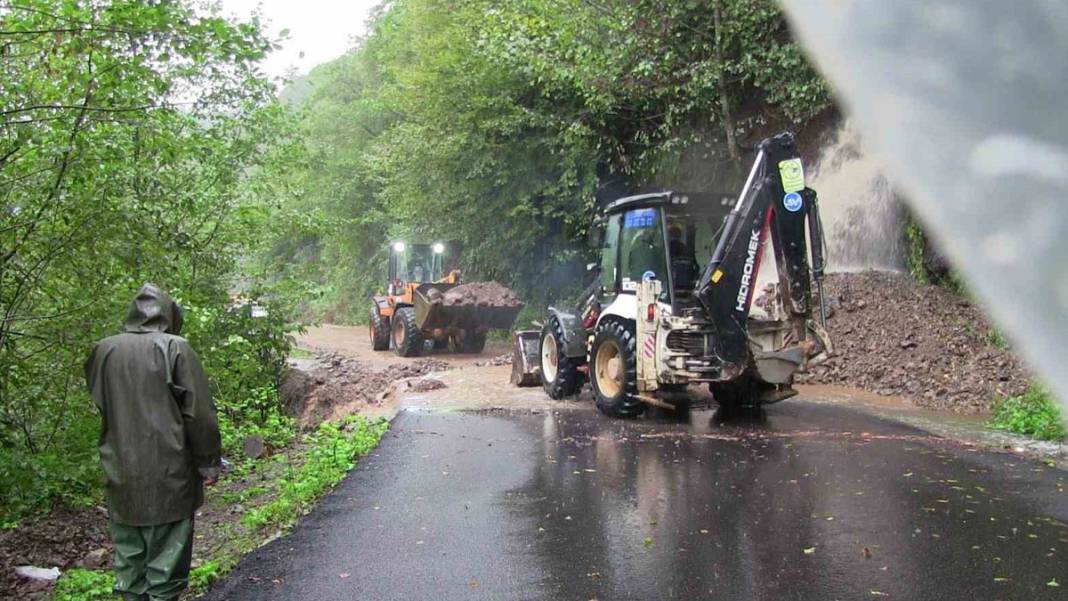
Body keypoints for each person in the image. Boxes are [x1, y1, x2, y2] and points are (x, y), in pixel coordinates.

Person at [84, 283, 221, 601]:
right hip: (170, 472)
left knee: (129, 566)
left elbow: (102, 401)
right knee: (166, 568)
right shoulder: (176, 348)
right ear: (171, 314)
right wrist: (208, 462)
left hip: (120, 468)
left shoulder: (104, 350)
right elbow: (198, 413)